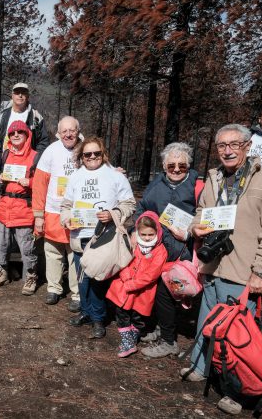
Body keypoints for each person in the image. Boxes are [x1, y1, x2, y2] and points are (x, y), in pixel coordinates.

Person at [182, 124, 262, 415]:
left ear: (247, 147)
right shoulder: (214, 178)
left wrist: (261, 271)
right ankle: (201, 367)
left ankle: (236, 389)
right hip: (212, 264)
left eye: (234, 144)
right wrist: (195, 226)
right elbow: (201, 212)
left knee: (237, 334)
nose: (227, 150)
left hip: (242, 269)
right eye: (221, 145)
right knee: (207, 322)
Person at [61, 136, 136, 339]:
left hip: (103, 237)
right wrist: (67, 219)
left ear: (103, 154)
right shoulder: (75, 177)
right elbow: (66, 206)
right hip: (80, 236)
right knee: (82, 279)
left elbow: (130, 204)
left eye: (96, 153)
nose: (92, 157)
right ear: (81, 157)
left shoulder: (115, 176)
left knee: (97, 280)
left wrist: (113, 214)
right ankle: (85, 312)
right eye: (87, 154)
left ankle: (98, 319)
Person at [133, 142, 202, 358]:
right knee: (156, 290)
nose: (176, 169)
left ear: (189, 166)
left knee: (170, 292)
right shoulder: (156, 184)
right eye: (171, 165)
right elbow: (142, 209)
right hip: (158, 248)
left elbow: (207, 217)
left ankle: (169, 340)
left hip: (185, 250)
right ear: (164, 166)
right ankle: (160, 329)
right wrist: (136, 229)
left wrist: (190, 233)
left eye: (182, 165)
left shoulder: (198, 186)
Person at [32, 116, 84, 311]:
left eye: (72, 130)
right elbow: (39, 183)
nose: (69, 134)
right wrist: (38, 215)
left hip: (78, 213)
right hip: (53, 211)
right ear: (58, 133)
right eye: (64, 131)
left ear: (78, 130)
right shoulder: (51, 151)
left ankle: (77, 293)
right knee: (53, 252)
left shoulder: (88, 149)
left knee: (75, 253)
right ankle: (53, 288)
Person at [0, 120, 39, 295]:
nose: (16, 135)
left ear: (27, 135)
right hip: (4, 207)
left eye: (20, 132)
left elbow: (44, 182)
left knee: (26, 246)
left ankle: (31, 275)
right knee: (2, 244)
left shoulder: (35, 156)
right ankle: (2, 271)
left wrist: (30, 182)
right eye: (12, 133)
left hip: (24, 208)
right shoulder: (5, 155)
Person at [106, 212, 168, 357]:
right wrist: (126, 277)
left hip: (142, 292)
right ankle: (127, 342)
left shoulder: (160, 251)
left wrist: (132, 284)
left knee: (138, 317)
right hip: (124, 287)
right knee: (121, 313)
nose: (147, 238)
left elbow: (151, 275)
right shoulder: (133, 243)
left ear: (157, 232)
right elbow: (123, 260)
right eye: (143, 234)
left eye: (150, 235)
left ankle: (131, 339)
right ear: (138, 232)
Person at [0, 83, 48, 154]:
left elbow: (43, 141)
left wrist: (35, 157)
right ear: (12, 96)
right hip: (2, 159)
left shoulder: (36, 117)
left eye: (23, 92)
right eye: (17, 92)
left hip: (26, 161)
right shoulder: (1, 115)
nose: (20, 95)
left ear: (28, 96)